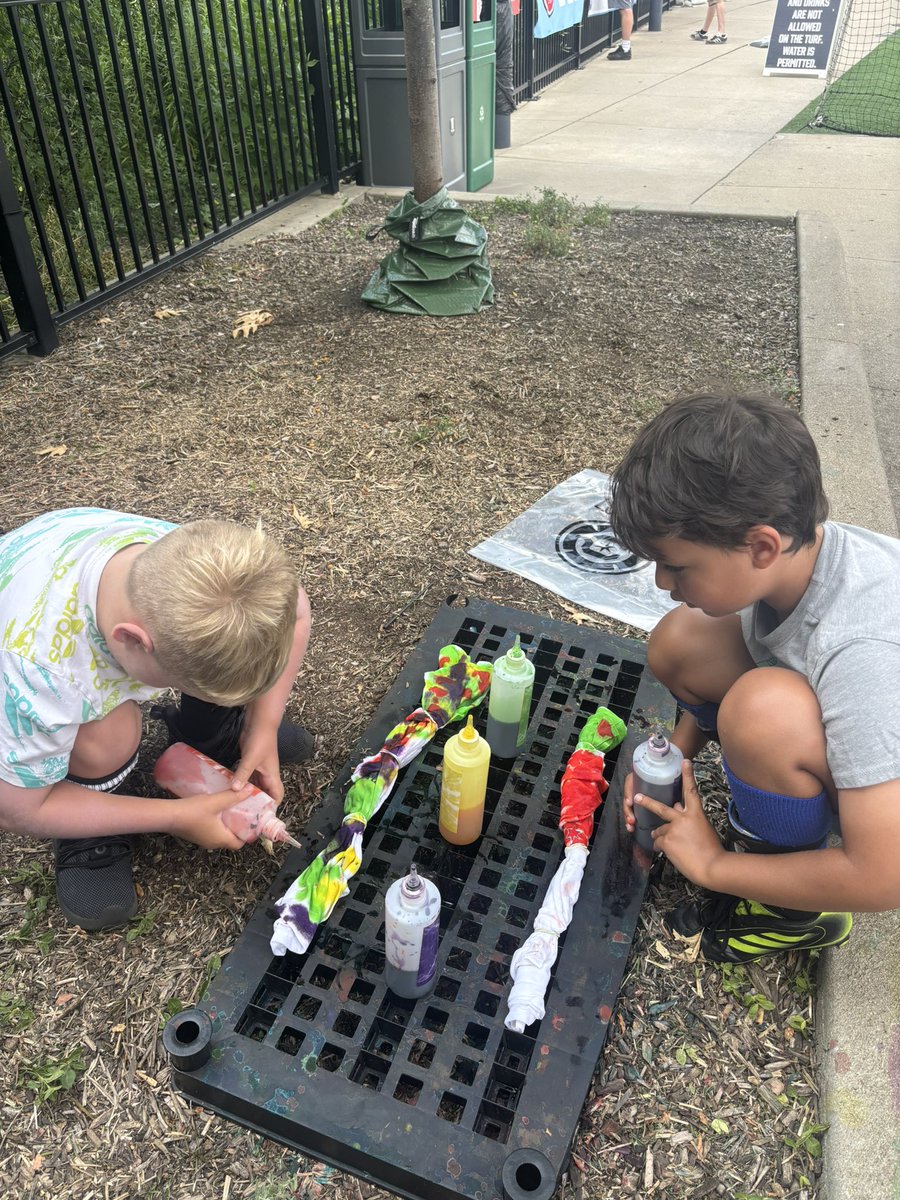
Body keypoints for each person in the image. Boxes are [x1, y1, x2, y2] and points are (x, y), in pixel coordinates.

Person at [608, 392, 900, 963]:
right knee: (682, 642)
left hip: (886, 831)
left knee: (761, 711)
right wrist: (674, 762)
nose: (663, 581)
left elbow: (883, 876)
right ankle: (771, 791)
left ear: (761, 546)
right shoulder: (795, 560)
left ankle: (791, 915)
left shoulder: (863, 650)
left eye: (678, 564)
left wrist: (716, 865)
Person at [0, 509, 313, 932]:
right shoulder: (40, 673)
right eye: (215, 698)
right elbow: (18, 810)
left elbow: (296, 613)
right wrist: (173, 817)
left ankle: (213, 732)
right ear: (133, 641)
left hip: (71, 575)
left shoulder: (213, 566)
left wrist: (263, 725)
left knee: (215, 667)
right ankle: (90, 817)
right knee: (107, 740)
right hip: (27, 647)